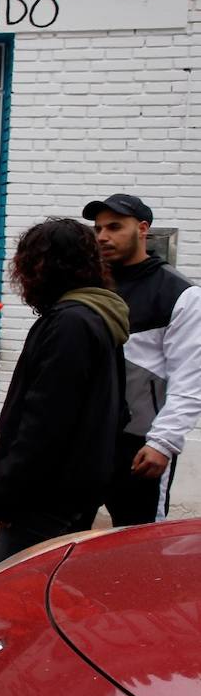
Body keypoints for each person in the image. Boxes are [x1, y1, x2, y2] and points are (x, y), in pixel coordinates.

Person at [0, 219, 128, 564]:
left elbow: (44, 421)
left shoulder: (70, 324)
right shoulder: (97, 316)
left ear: (43, 267)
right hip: (69, 495)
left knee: (12, 601)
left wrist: (9, 493)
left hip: (40, 501)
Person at [84, 193, 201, 525]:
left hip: (140, 445)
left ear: (143, 228)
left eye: (115, 227)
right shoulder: (93, 284)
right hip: (88, 441)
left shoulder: (179, 293)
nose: (103, 236)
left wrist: (163, 442)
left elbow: (189, 379)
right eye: (98, 228)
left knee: (139, 544)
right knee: (67, 539)